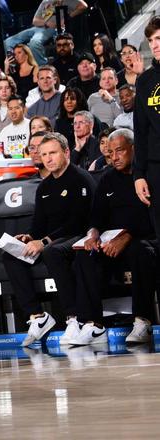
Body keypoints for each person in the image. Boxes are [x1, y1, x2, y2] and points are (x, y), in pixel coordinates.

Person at [2, 132, 95, 346]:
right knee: (11, 256)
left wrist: (43, 241)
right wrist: (29, 237)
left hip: (78, 237)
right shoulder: (44, 187)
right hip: (52, 240)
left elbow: (78, 222)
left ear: (66, 152)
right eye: (44, 154)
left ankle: (74, 318)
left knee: (53, 252)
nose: (48, 158)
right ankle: (38, 316)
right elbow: (39, 224)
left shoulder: (80, 179)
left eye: (53, 153)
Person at [73, 129, 156, 345]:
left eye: (120, 151)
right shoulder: (107, 178)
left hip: (143, 236)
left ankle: (143, 321)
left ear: (133, 149)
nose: (114, 157)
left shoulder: (148, 175)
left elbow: (151, 216)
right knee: (85, 255)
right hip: (111, 240)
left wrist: (126, 237)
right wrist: (92, 234)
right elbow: (96, 215)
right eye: (110, 153)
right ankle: (94, 325)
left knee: (141, 251)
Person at [133, 16, 160, 236]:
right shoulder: (144, 81)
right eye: (151, 40)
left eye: (159, 38)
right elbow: (140, 131)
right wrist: (139, 174)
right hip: (155, 168)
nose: (154, 45)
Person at [4, 0, 87, 66]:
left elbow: (84, 6)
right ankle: (13, 66)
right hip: (38, 27)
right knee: (8, 42)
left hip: (52, 29)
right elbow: (35, 21)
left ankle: (43, 66)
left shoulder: (68, 1)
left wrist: (67, 17)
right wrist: (46, 23)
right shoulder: (46, 1)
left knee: (34, 43)